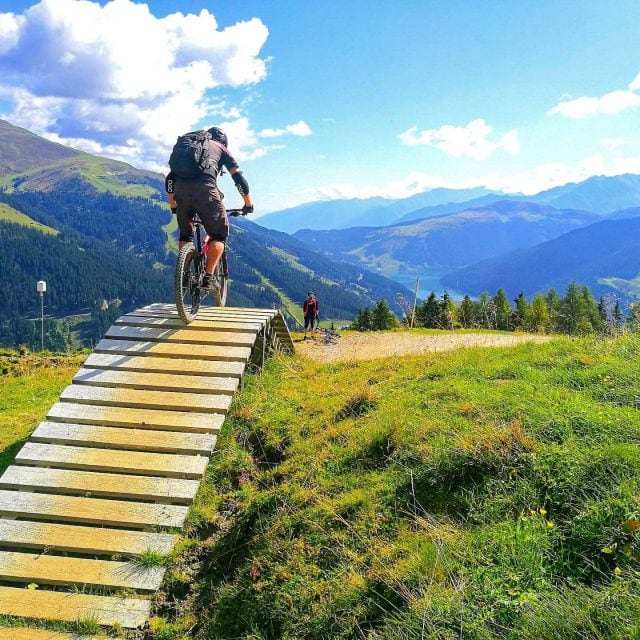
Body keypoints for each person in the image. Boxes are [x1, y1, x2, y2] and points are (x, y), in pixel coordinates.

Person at [165, 127, 253, 291]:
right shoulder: (221, 149)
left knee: (186, 235)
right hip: (206, 193)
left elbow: (170, 179)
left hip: (181, 193)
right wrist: (248, 204)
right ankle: (208, 278)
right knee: (219, 236)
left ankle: (183, 276)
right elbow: (239, 179)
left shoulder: (190, 147)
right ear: (223, 141)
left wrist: (174, 207)